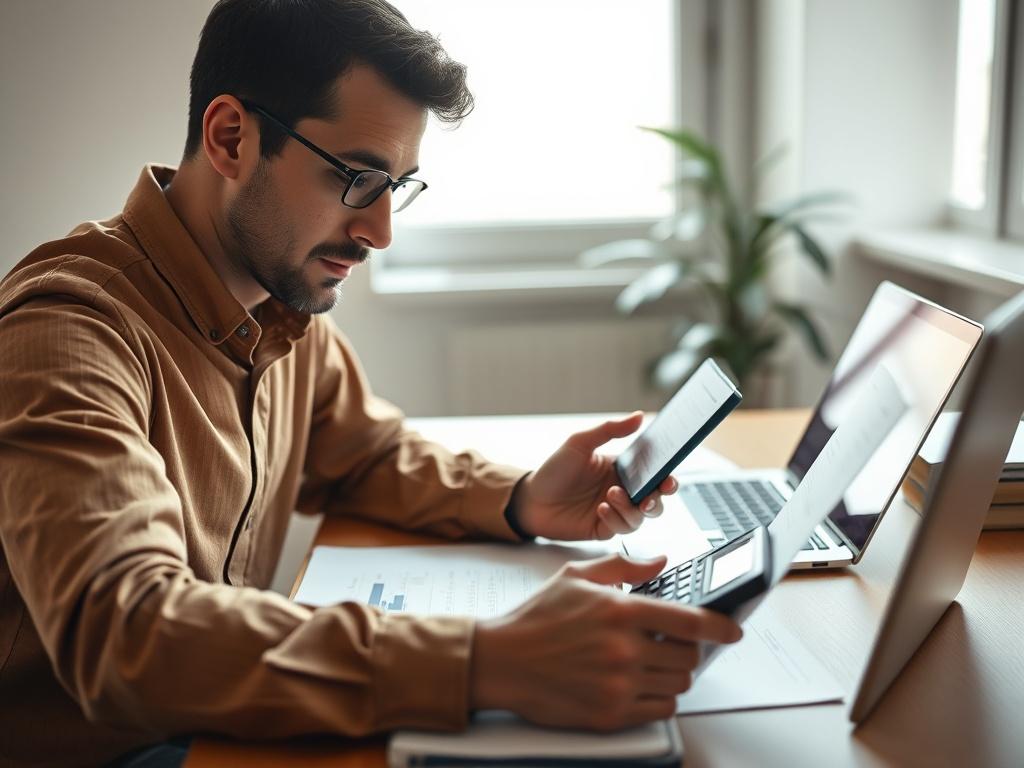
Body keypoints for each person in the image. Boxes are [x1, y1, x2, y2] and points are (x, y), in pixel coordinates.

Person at [0, 1, 742, 766]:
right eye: (357, 178)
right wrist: (486, 659)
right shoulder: (67, 330)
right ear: (231, 138)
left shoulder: (281, 307)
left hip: (213, 721)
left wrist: (523, 499)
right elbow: (126, 633)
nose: (380, 231)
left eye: (398, 186)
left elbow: (367, 456)